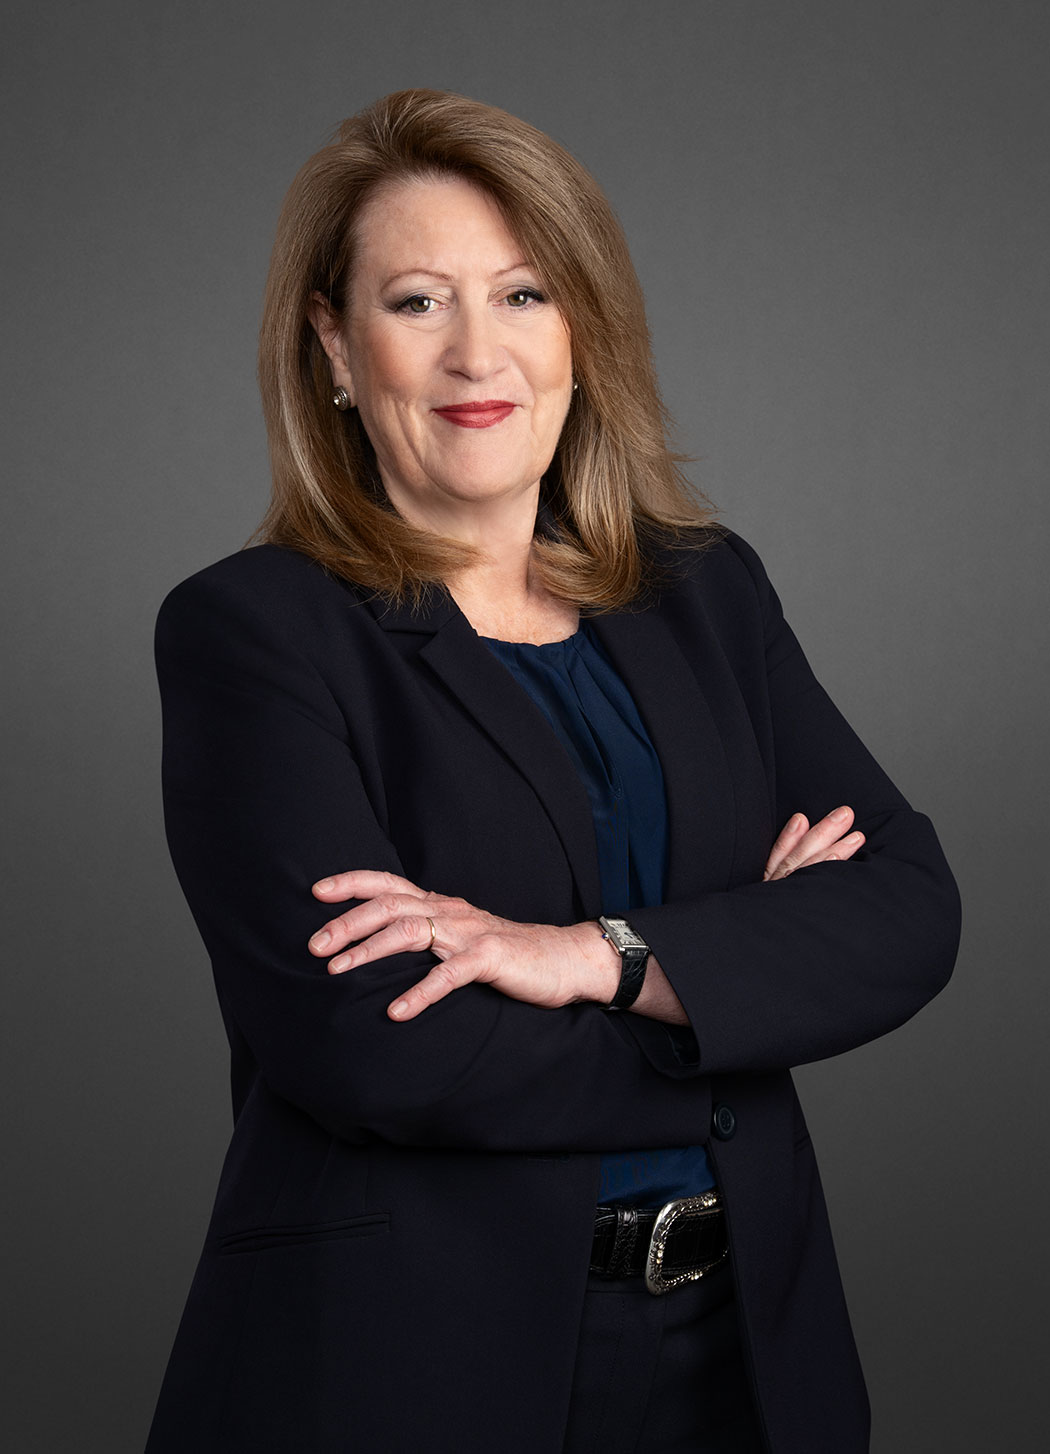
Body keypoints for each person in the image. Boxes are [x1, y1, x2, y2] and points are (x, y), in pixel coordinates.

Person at [144, 90, 960, 1454]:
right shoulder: (257, 632)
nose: (478, 351)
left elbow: (909, 909)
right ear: (334, 345)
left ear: (583, 328)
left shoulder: (706, 593)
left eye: (523, 294)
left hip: (744, 1358)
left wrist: (592, 957)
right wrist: (739, 986)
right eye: (416, 301)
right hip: (413, 1365)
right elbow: (377, 1044)